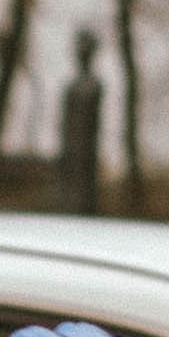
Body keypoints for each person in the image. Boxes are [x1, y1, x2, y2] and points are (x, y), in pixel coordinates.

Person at [56, 29, 104, 216]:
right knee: (68, 181)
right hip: (70, 144)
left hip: (86, 146)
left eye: (85, 52)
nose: (81, 56)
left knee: (84, 185)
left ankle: (82, 211)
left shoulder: (94, 85)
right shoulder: (71, 86)